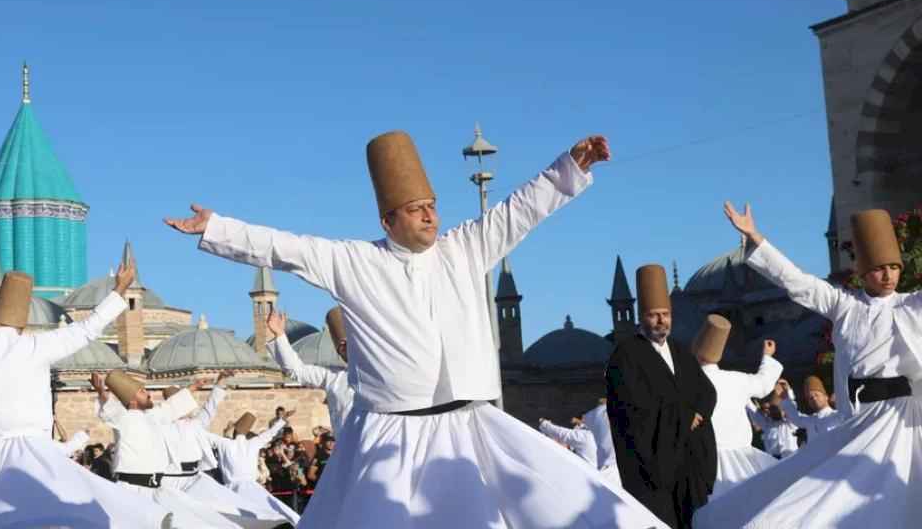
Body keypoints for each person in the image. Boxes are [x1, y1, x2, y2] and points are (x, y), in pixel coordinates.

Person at [168, 131, 664, 528]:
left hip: (467, 423)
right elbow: (285, 247)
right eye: (415, 208)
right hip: (392, 435)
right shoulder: (354, 261)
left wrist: (571, 165)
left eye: (432, 204)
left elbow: (518, 213)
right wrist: (217, 228)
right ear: (388, 219)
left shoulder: (463, 248)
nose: (429, 215)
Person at [0, 265, 173, 528]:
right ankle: (141, 519)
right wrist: (120, 289)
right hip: (35, 454)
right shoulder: (38, 346)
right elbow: (88, 328)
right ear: (23, 321)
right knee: (60, 511)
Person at [695, 206, 922, 527]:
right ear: (860, 268)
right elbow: (796, 281)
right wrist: (755, 238)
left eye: (893, 268)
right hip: (861, 420)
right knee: (826, 500)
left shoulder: (912, 304)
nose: (888, 275)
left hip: (906, 417)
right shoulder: (845, 304)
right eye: (879, 268)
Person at [606, 263, 718, 528]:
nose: (661, 321)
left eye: (665, 314)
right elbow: (634, 411)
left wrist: (696, 414)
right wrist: (683, 417)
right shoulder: (626, 357)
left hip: (689, 464)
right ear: (642, 316)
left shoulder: (680, 352)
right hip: (654, 471)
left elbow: (706, 391)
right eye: (654, 315)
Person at [93, 369, 256, 528]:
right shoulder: (123, 418)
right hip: (132, 489)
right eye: (143, 392)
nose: (149, 394)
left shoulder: (155, 416)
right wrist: (101, 390)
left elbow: (170, 407)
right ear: (133, 401)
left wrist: (194, 387)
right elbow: (109, 409)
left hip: (156, 487)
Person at [155, 372, 285, 527]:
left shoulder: (195, 424)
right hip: (170, 480)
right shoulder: (160, 426)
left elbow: (210, 408)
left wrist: (219, 385)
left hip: (195, 477)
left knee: (221, 512)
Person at [691, 316, 783, 498]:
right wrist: (767, 357)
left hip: (704, 462)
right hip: (745, 462)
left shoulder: (686, 383)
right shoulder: (736, 379)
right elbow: (764, 383)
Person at [201, 412, 300, 526]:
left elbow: (204, 435)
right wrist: (282, 420)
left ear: (235, 430)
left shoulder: (225, 443)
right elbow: (270, 433)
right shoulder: (253, 443)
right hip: (253, 488)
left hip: (232, 490)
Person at [266, 308, 352, 438]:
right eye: (341, 347)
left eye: (348, 344)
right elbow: (296, 370)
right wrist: (279, 335)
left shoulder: (380, 374)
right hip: (346, 449)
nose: (345, 349)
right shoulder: (333, 376)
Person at [777, 376, 843, 440]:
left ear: (826, 396)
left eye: (816, 395)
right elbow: (795, 417)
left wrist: (840, 401)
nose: (814, 398)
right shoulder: (810, 421)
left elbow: (848, 414)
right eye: (810, 398)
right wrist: (786, 395)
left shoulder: (837, 415)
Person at [744, 393, 799, 459]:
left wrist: (786, 392)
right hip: (773, 461)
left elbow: (792, 407)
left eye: (774, 408)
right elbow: (750, 407)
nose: (771, 411)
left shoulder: (791, 424)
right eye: (768, 409)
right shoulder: (766, 424)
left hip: (791, 458)